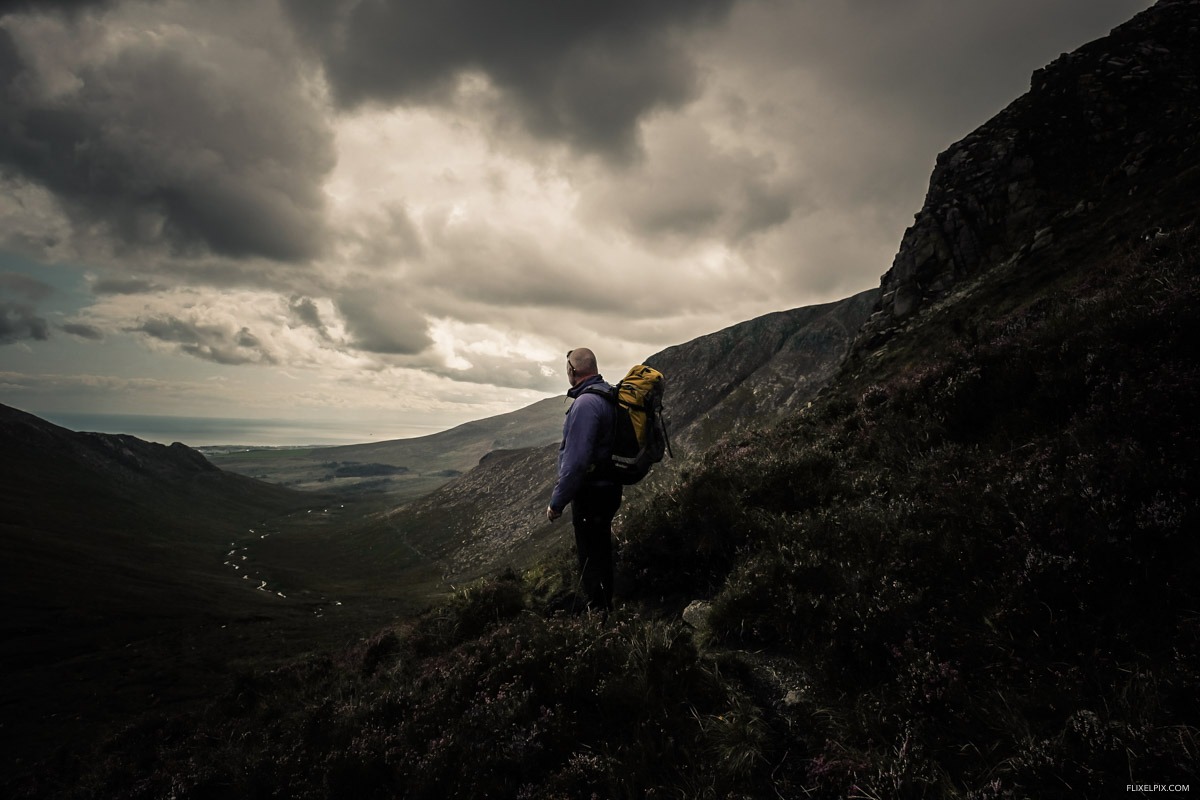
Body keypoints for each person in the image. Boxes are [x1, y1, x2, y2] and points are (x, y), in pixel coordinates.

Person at [546, 347, 621, 613]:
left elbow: (576, 462)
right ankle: (606, 607)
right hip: (609, 487)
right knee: (600, 549)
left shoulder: (586, 404)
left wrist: (557, 502)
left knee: (591, 556)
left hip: (592, 493)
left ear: (573, 371)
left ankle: (599, 616)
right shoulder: (606, 394)